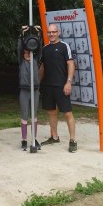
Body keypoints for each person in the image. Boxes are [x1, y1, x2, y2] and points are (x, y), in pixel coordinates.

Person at [39, 23, 77, 152]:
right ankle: (54, 137)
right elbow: (43, 67)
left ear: (58, 32)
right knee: (51, 112)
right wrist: (38, 82)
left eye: (54, 32)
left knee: (67, 113)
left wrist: (68, 82)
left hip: (62, 86)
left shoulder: (64, 46)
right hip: (48, 86)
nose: (51, 34)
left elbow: (71, 64)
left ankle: (73, 140)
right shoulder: (45, 49)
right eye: (49, 32)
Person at [17, 25, 41, 151]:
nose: (27, 54)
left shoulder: (36, 60)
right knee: (25, 115)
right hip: (24, 91)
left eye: (29, 52)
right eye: (25, 52)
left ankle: (34, 138)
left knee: (34, 115)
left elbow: (39, 47)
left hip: (35, 90)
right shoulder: (21, 61)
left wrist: (38, 34)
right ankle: (24, 140)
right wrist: (22, 34)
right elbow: (20, 48)